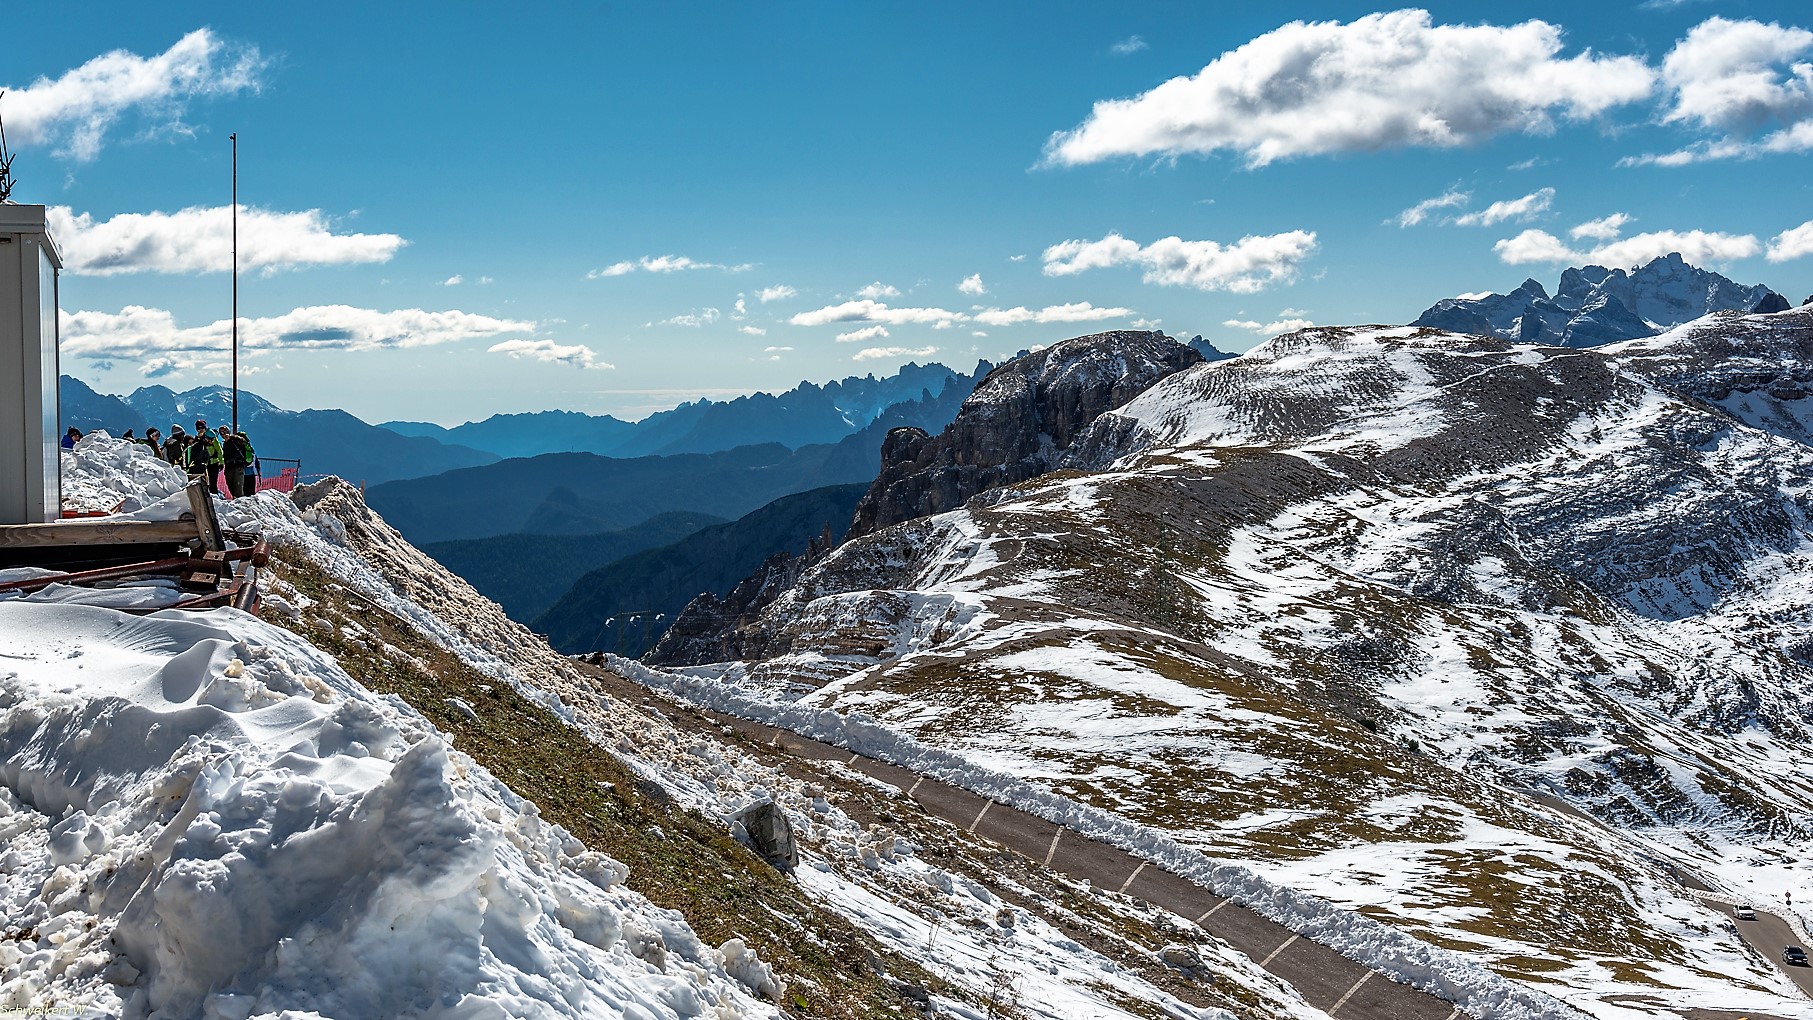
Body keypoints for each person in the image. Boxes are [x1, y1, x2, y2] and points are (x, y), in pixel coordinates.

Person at [193, 420, 225, 495]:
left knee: (212, 483)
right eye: (198, 428)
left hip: (213, 463)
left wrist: (221, 462)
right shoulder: (199, 438)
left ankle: (214, 497)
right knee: (207, 483)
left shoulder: (211, 436)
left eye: (202, 427)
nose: (200, 429)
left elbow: (219, 450)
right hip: (204, 464)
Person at [222, 425, 252, 498]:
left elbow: (242, 442)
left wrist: (231, 437)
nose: (224, 434)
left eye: (225, 432)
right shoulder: (225, 444)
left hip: (238, 467)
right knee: (232, 488)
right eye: (222, 433)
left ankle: (240, 506)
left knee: (238, 490)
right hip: (229, 468)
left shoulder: (235, 440)